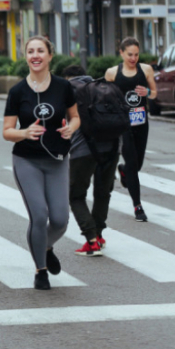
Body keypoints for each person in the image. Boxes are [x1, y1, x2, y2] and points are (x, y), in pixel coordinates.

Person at [3, 36, 79, 290]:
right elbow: (7, 131)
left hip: (57, 159)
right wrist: (24, 133)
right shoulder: (17, 92)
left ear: (49, 56)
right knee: (39, 215)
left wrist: (71, 128)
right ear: (26, 57)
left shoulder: (63, 87)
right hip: (26, 160)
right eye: (30, 51)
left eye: (40, 51)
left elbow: (75, 117)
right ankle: (41, 270)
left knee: (59, 220)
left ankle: (45, 246)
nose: (35, 55)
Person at [63, 64, 116, 257]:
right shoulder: (102, 88)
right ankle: (99, 236)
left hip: (83, 151)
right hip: (111, 149)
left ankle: (92, 240)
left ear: (68, 78)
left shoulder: (68, 90)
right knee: (103, 193)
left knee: (75, 195)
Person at [105, 37, 156, 222]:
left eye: (136, 54)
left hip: (141, 122)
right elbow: (104, 96)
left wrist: (148, 93)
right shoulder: (112, 73)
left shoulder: (146, 69)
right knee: (133, 163)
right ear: (121, 53)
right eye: (129, 55)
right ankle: (138, 207)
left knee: (138, 164)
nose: (133, 58)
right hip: (123, 124)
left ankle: (123, 170)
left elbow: (155, 92)